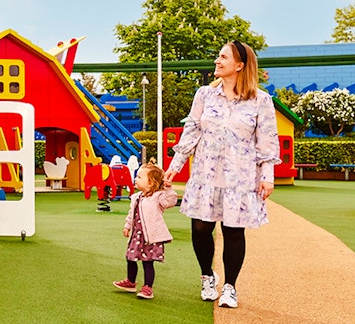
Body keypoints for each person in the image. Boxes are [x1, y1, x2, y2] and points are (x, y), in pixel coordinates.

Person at [165, 41, 280, 309]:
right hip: (206, 173)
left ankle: (230, 287)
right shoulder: (204, 95)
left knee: (233, 230)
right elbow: (192, 131)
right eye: (218, 56)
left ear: (239, 65)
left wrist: (268, 175)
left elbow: (267, 141)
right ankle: (207, 276)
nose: (217, 61)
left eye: (223, 57)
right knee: (201, 227)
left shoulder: (261, 101)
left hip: (239, 178)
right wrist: (176, 164)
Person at [113, 162, 178, 300]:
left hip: (151, 236)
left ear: (151, 183)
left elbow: (170, 202)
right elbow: (132, 213)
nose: (136, 179)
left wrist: (169, 189)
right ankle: (131, 282)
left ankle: (148, 287)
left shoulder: (158, 197)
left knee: (147, 261)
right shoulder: (136, 197)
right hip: (137, 235)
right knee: (130, 258)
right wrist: (127, 226)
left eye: (140, 177)